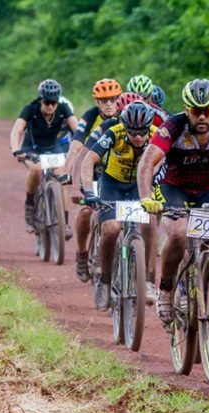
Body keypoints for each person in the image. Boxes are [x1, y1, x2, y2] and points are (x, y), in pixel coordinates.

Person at [136, 78, 209, 327]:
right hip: (174, 187)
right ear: (186, 108)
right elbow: (147, 162)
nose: (202, 117)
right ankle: (166, 289)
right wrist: (146, 197)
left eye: (208, 111)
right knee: (179, 233)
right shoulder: (173, 127)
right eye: (195, 111)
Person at [77, 101, 158, 310]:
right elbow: (89, 161)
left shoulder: (158, 135)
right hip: (113, 185)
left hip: (140, 186)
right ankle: (104, 280)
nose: (138, 137)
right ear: (125, 126)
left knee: (150, 224)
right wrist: (88, 190)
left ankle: (148, 280)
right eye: (133, 131)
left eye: (143, 131)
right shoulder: (114, 133)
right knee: (111, 228)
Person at [68, 78, 123, 283]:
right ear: (97, 102)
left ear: (119, 99)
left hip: (116, 174)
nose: (108, 103)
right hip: (93, 171)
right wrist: (74, 183)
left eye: (112, 99)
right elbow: (78, 150)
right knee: (86, 210)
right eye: (103, 100)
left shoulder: (128, 118)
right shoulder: (91, 117)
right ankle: (82, 254)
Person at [9, 79, 78, 237]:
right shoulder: (30, 108)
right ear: (41, 100)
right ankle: (30, 208)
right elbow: (17, 130)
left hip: (53, 148)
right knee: (37, 170)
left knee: (64, 178)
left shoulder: (63, 108)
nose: (50, 106)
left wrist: (84, 147)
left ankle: (64, 222)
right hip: (31, 148)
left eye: (53, 102)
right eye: (47, 102)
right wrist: (16, 149)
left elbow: (77, 128)